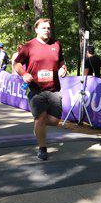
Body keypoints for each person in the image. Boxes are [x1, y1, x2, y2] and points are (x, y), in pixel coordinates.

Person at [14, 19, 67, 161]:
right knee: (41, 118)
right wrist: (24, 74)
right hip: (36, 89)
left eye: (48, 28)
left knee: (54, 121)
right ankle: (42, 148)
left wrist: (63, 68)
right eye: (43, 28)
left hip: (54, 89)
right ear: (36, 30)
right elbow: (17, 64)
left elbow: (61, 61)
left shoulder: (56, 44)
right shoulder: (29, 46)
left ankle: (39, 124)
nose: (47, 30)